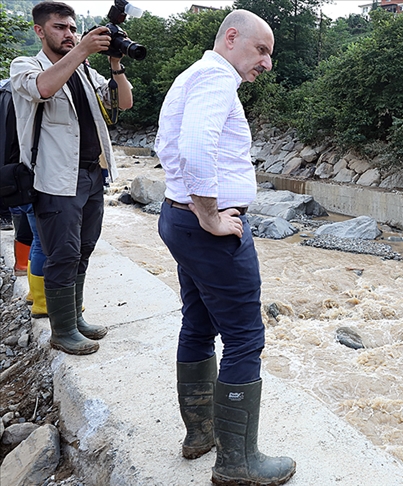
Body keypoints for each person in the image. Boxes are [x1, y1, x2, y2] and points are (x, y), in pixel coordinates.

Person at [155, 9, 295, 486]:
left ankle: (201, 435)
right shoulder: (217, 78)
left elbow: (165, 146)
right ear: (231, 38)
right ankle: (238, 463)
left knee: (197, 323)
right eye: (261, 51)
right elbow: (195, 147)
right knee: (244, 339)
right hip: (205, 228)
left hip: (177, 218)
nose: (267, 63)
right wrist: (212, 215)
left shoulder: (193, 75)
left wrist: (196, 211)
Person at [9, 1, 133, 355]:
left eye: (73, 28)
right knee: (61, 253)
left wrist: (115, 65)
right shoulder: (26, 66)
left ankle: (74, 318)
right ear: (40, 30)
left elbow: (123, 104)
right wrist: (81, 50)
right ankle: (61, 330)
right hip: (54, 179)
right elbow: (42, 89)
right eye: (60, 27)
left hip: (93, 174)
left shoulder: (84, 72)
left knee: (84, 248)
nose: (69, 34)